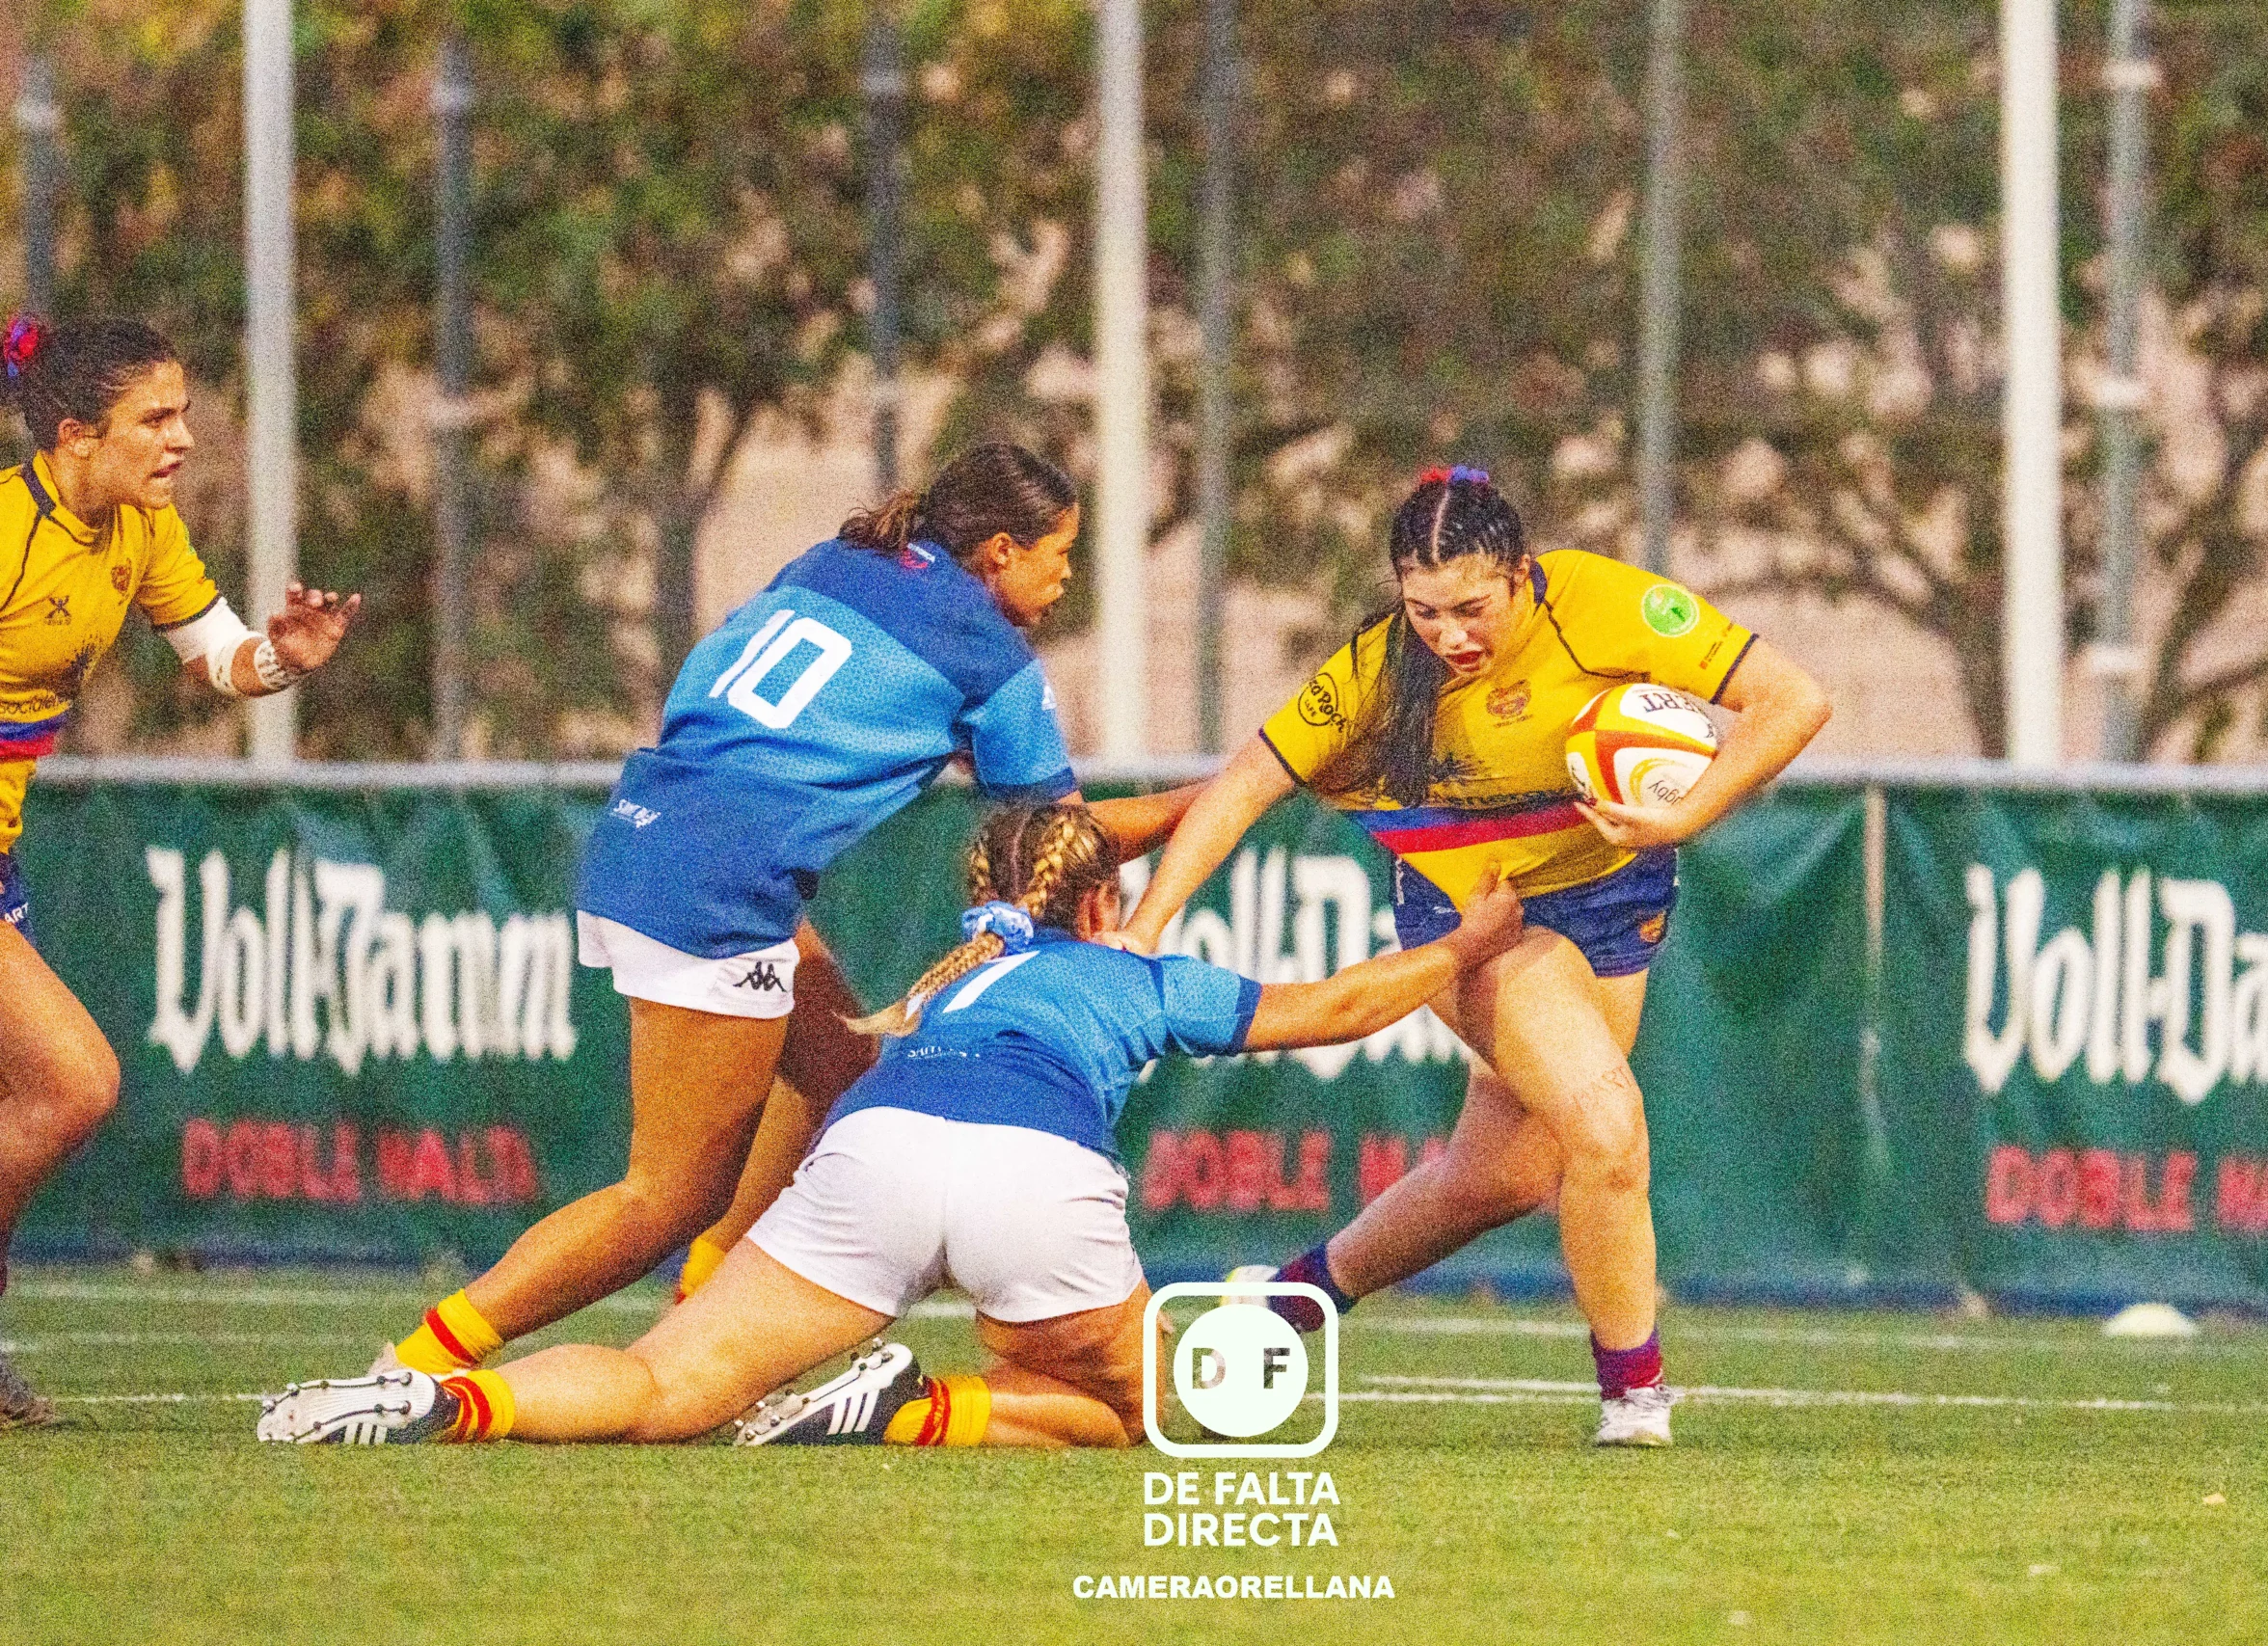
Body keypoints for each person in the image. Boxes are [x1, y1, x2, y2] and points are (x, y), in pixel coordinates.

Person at [257, 803, 1525, 1447]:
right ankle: (912, 1410)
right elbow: (1345, 1004)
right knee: (1143, 1411)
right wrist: (1463, 943)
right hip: (1036, 1170)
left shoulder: (948, 965)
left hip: (870, 1156)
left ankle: (442, 1399)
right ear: (1104, 894)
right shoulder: (1129, 968)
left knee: (663, 1384)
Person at [372, 444, 1200, 1383]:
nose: (1065, 578)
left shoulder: (835, 561)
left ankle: (704, 1299)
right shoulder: (988, 650)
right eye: (1061, 553)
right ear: (1002, 551)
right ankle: (411, 1371)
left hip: (649, 825)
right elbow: (1067, 843)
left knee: (836, 1058)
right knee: (665, 1197)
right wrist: (1218, 798)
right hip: (718, 877)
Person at [1118, 465, 1830, 1447]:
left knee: (1501, 1174)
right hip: (1478, 917)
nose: (1449, 634)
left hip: (1616, 892)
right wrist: (1147, 924)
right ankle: (1634, 1396)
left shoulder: (1604, 604)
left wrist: (1684, 813)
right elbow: (1238, 789)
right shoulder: (1377, 669)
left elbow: (1794, 699)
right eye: (1424, 610)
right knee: (1608, 1130)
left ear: (1522, 575)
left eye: (1471, 607)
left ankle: (1285, 1301)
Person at [0, 314, 359, 1427]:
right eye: (154, 420)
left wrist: (282, 660)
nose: (183, 440)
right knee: (74, 1085)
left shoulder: (141, 533)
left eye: (183, 414)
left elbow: (221, 657)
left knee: (62, 1092)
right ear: (73, 433)